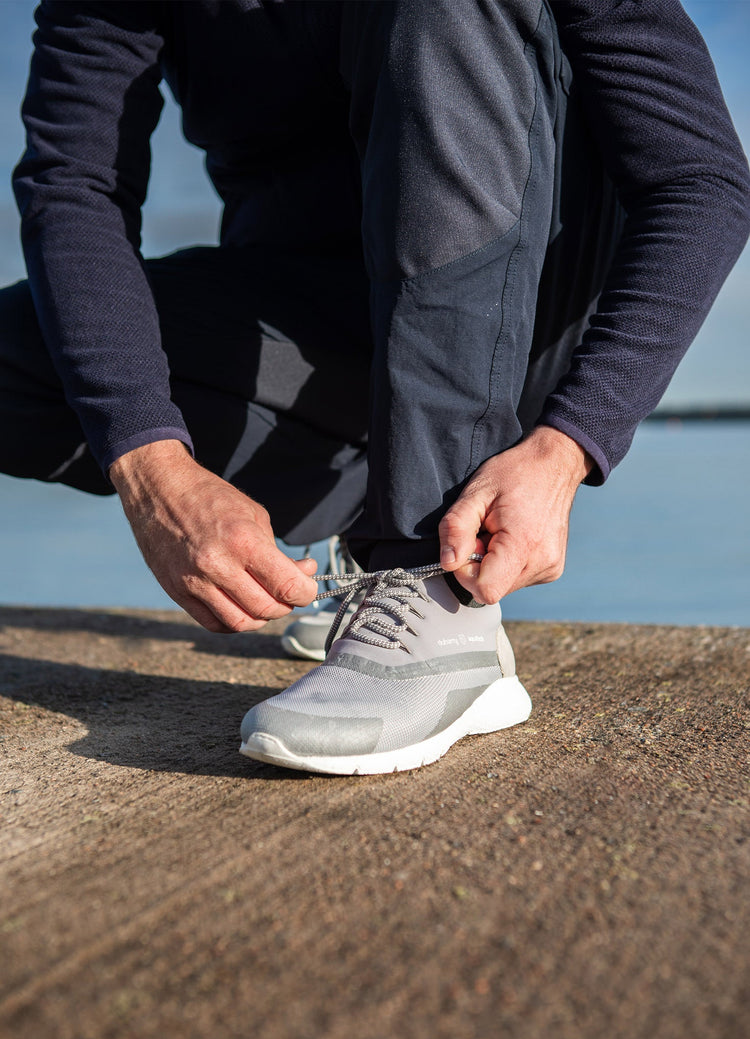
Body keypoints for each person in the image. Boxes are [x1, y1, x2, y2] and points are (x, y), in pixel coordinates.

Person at [2, 1, 748, 774]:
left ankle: (431, 584)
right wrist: (152, 469)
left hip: (520, 325)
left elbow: (701, 181)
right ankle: (359, 539)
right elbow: (73, 185)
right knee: (14, 356)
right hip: (318, 330)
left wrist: (570, 441)